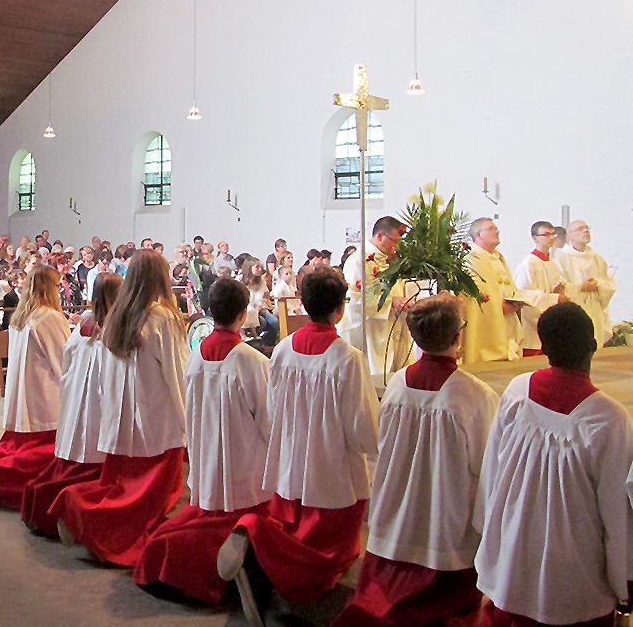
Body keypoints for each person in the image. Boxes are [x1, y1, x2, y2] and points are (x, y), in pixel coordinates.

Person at [220, 268, 378, 622]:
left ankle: (263, 548)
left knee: (296, 529)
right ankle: (257, 536)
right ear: (340, 309)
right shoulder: (347, 357)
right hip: (332, 469)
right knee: (329, 555)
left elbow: (273, 409)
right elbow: (362, 428)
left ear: (304, 304)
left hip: (291, 463)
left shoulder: (284, 348)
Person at [333, 294, 498, 626]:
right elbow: (488, 468)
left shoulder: (396, 384)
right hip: (446, 525)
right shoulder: (475, 395)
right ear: (457, 336)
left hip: (398, 512)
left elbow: (385, 446)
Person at [474, 302, 633, 626]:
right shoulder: (609, 418)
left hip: (512, 563)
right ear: (593, 345)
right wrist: (624, 584)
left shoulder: (518, 391)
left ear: (543, 348)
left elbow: (492, 470)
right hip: (573, 578)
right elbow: (616, 514)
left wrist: (491, 541)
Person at [133, 278, 272, 605]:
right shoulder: (250, 361)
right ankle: (241, 558)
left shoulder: (196, 358)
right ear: (242, 313)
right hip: (247, 475)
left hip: (208, 466)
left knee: (197, 520)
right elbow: (270, 421)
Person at [50, 249, 188, 567]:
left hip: (123, 422)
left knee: (124, 490)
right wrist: (188, 422)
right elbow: (176, 372)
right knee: (148, 500)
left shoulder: (117, 314)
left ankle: (86, 515)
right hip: (156, 421)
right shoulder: (162, 317)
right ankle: (79, 508)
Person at [0, 266, 71, 509]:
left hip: (26, 397)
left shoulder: (21, 317)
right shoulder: (49, 317)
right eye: (56, 285)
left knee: (17, 448)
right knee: (40, 454)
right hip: (45, 399)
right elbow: (63, 363)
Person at [20, 272, 122, 536]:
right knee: (92, 467)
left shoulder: (84, 323)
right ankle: (67, 513)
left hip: (77, 397)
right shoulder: (114, 328)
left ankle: (44, 506)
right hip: (99, 403)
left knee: (71, 462)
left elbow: (67, 358)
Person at [340, 216, 414, 375]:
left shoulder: (390, 260)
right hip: (369, 329)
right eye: (393, 241)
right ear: (380, 236)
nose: (395, 247)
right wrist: (390, 302)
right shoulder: (359, 260)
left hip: (390, 324)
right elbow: (355, 298)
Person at [462, 217, 536, 363]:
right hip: (491, 319)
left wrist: (516, 301)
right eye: (491, 228)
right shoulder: (471, 259)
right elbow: (474, 294)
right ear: (478, 235)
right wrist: (498, 305)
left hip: (508, 317)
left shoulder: (498, 257)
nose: (497, 231)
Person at [553, 220, 616, 347]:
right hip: (574, 309)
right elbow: (557, 285)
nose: (586, 231)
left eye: (587, 228)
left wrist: (598, 284)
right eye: (581, 228)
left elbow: (609, 283)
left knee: (595, 343)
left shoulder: (597, 258)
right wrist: (581, 286)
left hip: (594, 308)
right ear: (570, 235)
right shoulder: (560, 258)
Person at [513, 221, 568, 357]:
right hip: (533, 329)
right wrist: (554, 298)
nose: (551, 237)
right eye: (546, 234)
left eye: (553, 234)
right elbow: (523, 296)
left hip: (550, 323)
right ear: (535, 238)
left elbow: (559, 284)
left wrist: (560, 292)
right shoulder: (529, 263)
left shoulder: (551, 262)